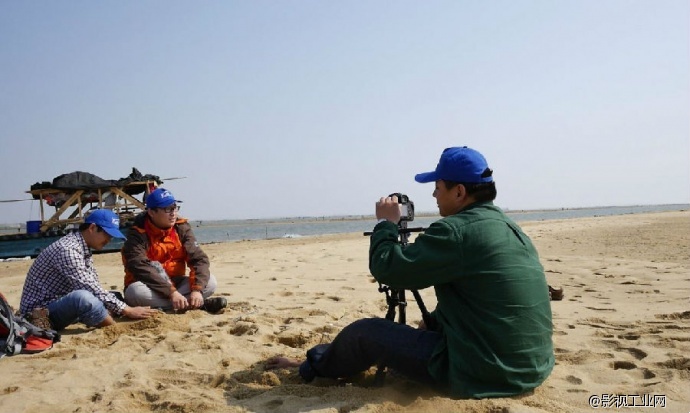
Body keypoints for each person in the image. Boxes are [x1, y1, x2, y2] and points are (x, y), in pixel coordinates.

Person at [266, 146, 555, 399]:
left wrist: (386, 225)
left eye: (438, 187)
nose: (433, 194)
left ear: (459, 191)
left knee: (366, 333)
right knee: (421, 328)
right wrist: (437, 323)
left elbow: (388, 268)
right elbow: (482, 296)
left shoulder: (457, 231)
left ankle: (312, 366)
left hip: (482, 372)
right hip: (530, 368)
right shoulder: (510, 228)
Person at [19, 209, 158, 331]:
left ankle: (100, 315)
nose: (109, 240)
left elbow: (93, 283)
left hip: (59, 301)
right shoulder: (68, 250)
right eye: (107, 235)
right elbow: (89, 288)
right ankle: (115, 329)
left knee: (114, 296)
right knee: (83, 298)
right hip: (40, 312)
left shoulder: (82, 247)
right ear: (92, 228)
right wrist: (127, 310)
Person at [121, 188, 227, 314]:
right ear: (151, 212)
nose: (173, 213)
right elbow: (140, 268)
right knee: (135, 293)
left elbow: (198, 259)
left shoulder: (181, 228)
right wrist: (171, 292)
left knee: (210, 282)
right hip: (149, 285)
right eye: (167, 209)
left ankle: (170, 307)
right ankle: (195, 305)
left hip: (177, 283)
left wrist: (196, 290)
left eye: (175, 207)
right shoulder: (136, 234)